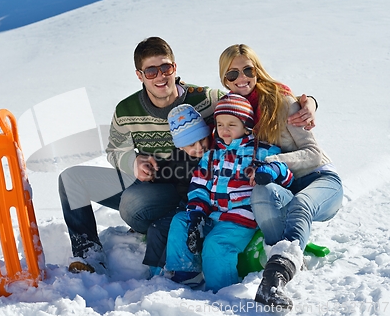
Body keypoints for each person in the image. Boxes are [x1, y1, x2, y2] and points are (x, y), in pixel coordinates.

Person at [58, 37, 317, 275]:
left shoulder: (206, 98)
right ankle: (89, 256)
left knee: (134, 203)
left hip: (197, 186)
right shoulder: (126, 110)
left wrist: (307, 103)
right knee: (72, 179)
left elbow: (247, 102)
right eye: (151, 71)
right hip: (152, 182)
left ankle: (173, 223)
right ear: (140, 75)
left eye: (166, 68)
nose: (160, 76)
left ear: (175, 67)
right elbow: (115, 151)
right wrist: (132, 162)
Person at [218, 44, 343, 309]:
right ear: (223, 79)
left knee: (301, 204)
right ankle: (282, 267)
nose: (241, 78)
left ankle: (275, 276)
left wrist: (270, 161)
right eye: (232, 74)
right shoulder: (233, 111)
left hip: (319, 179)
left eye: (247, 70)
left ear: (257, 70)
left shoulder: (282, 101)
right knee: (260, 193)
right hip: (284, 185)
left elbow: (313, 154)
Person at [164, 94, 294, 293]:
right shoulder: (211, 156)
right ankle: (186, 274)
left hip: (240, 218)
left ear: (246, 126)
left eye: (231, 124)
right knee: (181, 221)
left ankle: (221, 291)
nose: (224, 130)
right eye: (220, 124)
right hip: (212, 214)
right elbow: (199, 187)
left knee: (217, 244)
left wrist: (271, 171)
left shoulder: (262, 151)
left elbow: (287, 175)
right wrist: (197, 213)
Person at [142, 103, 212, 277]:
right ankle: (154, 271)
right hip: (185, 204)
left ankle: (173, 270)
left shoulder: (215, 155)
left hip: (206, 207)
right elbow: (166, 173)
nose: (199, 147)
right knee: (156, 229)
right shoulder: (178, 158)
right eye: (191, 144)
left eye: (202, 139)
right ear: (180, 147)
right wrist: (153, 175)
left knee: (177, 228)